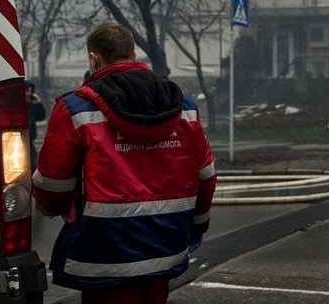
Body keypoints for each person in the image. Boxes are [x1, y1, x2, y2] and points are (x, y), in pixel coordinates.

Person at [31, 21, 217, 304]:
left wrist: (56, 210)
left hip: (104, 251)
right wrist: (196, 225)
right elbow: (206, 176)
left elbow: (53, 185)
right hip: (166, 245)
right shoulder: (184, 106)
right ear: (133, 54)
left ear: (94, 59)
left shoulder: (75, 109)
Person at [25, 81, 46, 169]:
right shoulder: (20, 108)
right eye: (27, 91)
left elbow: (41, 117)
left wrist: (38, 103)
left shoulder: (30, 106)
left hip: (30, 143)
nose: (29, 94)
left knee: (33, 165)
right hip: (22, 142)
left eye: (30, 91)